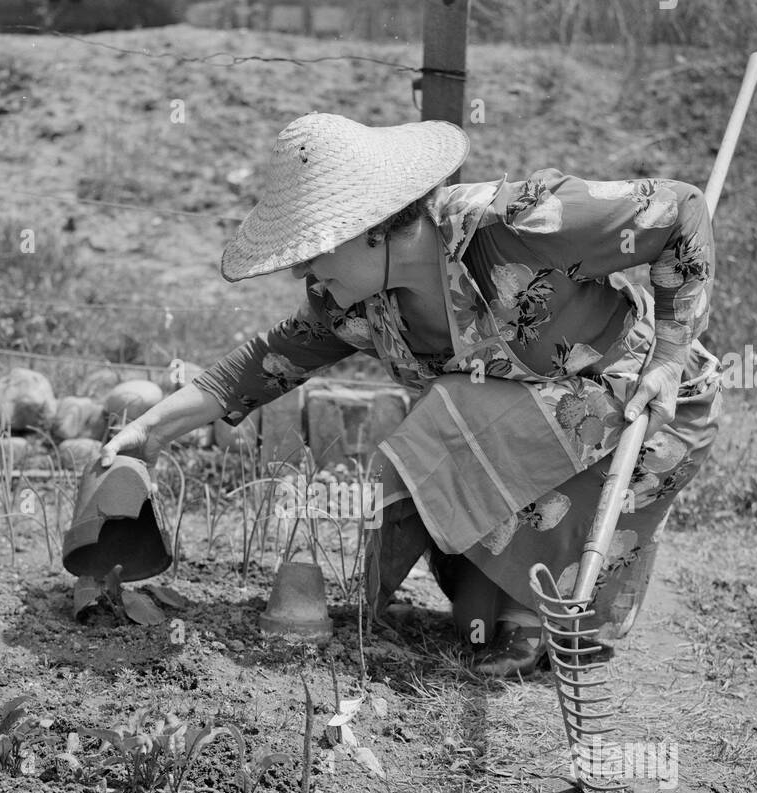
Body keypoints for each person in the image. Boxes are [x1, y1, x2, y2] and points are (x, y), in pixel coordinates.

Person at [101, 113, 723, 677]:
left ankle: (538, 613)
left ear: (373, 226)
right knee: (472, 615)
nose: (300, 272)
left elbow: (682, 210)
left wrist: (669, 357)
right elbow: (261, 365)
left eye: (313, 248)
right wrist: (150, 431)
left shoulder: (517, 224)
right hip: (525, 448)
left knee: (453, 411)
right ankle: (514, 598)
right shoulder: (354, 303)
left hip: (642, 412)